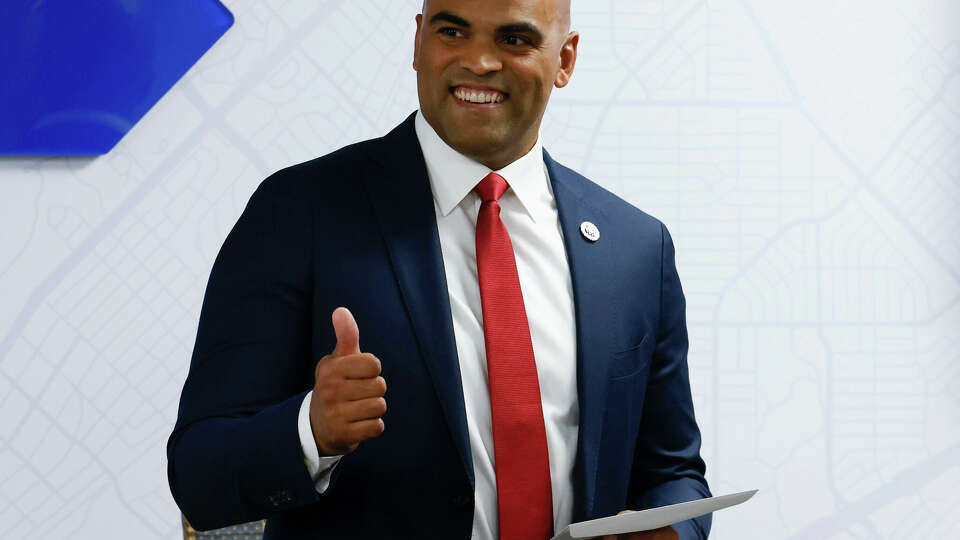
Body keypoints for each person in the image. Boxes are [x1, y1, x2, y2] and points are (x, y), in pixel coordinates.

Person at [166, 0, 711, 538]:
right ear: (418, 42)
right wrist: (311, 430)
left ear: (565, 59)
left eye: (514, 40)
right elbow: (198, 474)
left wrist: (673, 532)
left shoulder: (635, 247)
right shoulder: (297, 213)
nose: (478, 61)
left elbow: (675, 475)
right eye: (453, 32)